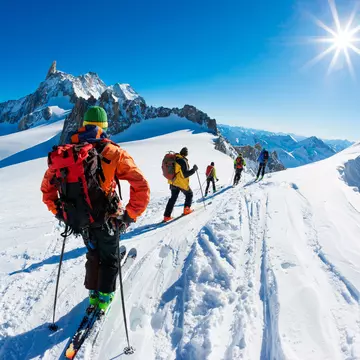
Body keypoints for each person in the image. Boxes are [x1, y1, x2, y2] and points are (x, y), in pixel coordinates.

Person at [41, 106, 150, 311]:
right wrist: (128, 215)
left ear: (83, 126)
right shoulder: (113, 152)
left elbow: (47, 189)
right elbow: (141, 186)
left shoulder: (66, 154)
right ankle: (104, 298)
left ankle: (93, 294)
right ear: (105, 126)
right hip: (108, 218)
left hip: (80, 219)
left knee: (93, 254)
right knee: (110, 257)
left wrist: (61, 213)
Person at [163, 147, 198, 222]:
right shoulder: (182, 160)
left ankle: (166, 216)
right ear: (186, 153)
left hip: (172, 182)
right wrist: (193, 170)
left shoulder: (175, 159)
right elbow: (185, 174)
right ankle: (186, 210)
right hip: (180, 183)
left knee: (173, 198)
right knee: (189, 194)